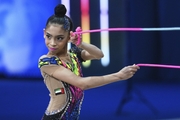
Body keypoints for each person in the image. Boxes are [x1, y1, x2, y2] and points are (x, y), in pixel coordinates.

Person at [38, 4, 140, 120]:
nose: (52, 43)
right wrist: (118, 76)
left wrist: (80, 44)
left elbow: (99, 54)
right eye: (48, 36)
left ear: (69, 36)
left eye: (59, 38)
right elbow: (82, 83)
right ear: (44, 32)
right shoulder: (47, 62)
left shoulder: (73, 55)